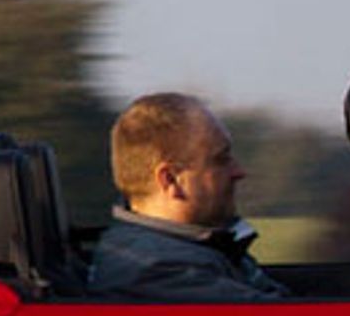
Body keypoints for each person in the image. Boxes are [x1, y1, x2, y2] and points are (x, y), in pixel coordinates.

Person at [89, 92, 288, 301]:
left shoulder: (191, 247)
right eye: (221, 160)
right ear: (171, 180)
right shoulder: (157, 269)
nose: (239, 172)